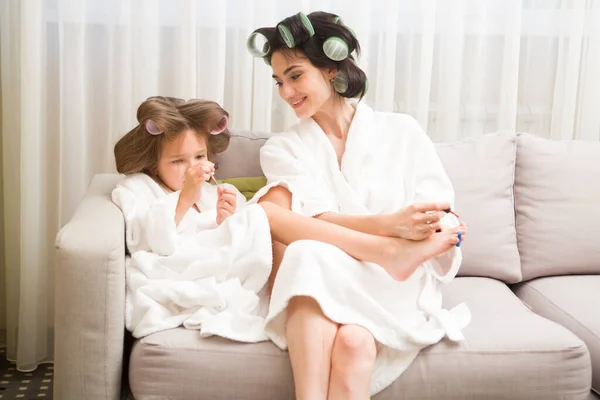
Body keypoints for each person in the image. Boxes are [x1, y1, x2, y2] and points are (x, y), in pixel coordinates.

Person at [247, 11, 470, 399]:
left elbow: (437, 216)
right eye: (279, 81)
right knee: (315, 270)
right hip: (337, 268)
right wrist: (389, 227)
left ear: (331, 70)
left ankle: (387, 256)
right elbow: (316, 218)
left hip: (395, 280)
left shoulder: (402, 130)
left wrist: (413, 232)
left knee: (311, 265)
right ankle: (385, 252)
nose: (285, 92)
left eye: (295, 76)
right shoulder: (282, 149)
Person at [111, 96, 461, 343]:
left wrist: (223, 217)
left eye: (199, 156)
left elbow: (219, 235)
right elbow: (148, 237)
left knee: (278, 199)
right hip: (191, 266)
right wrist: (189, 198)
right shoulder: (136, 188)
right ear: (151, 161)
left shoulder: (206, 190)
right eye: (178, 161)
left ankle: (371, 254)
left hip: (224, 259)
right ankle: (381, 249)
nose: (193, 168)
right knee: (266, 209)